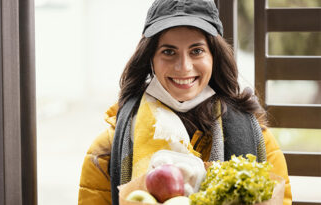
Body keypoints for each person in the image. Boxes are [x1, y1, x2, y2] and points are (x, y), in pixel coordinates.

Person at [78, 0, 292, 204]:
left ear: (213, 57)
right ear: (150, 58)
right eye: (168, 52)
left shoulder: (258, 139)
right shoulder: (107, 148)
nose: (184, 67)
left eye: (196, 51)